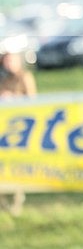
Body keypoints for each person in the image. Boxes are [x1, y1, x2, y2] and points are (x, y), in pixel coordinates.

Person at [0, 51, 37, 215]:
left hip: (21, 130)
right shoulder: (4, 79)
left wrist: (13, 97)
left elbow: (33, 100)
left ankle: (16, 202)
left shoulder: (25, 77)